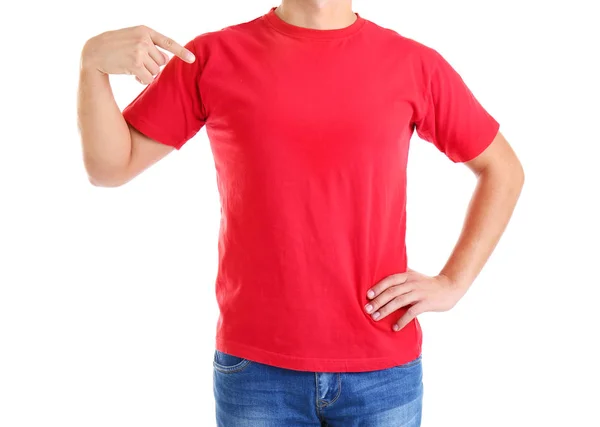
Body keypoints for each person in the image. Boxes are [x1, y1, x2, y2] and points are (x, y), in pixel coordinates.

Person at [77, 1, 524, 425]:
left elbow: (502, 170)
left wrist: (453, 283)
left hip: (382, 369)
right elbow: (110, 166)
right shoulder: (213, 56)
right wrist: (92, 65)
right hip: (256, 371)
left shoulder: (414, 64)